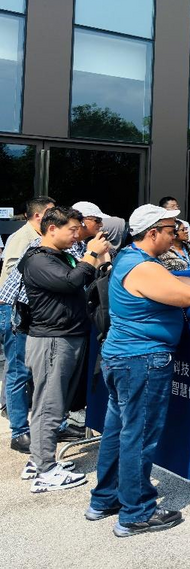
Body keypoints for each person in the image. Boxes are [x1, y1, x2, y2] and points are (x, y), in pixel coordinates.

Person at [87, 204, 190, 536]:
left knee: (119, 430)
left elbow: (185, 290)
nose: (176, 233)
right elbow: (185, 298)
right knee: (138, 435)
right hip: (142, 362)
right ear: (153, 233)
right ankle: (136, 512)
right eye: (170, 228)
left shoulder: (132, 259)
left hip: (125, 359)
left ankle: (105, 499)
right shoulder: (143, 267)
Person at [19, 206, 111, 491]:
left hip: (67, 336)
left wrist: (100, 260)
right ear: (51, 229)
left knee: (55, 403)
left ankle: (39, 458)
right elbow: (71, 282)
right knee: (49, 404)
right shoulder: (37, 259)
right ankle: (45, 470)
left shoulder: (61, 256)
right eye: (72, 229)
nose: (77, 235)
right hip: (52, 340)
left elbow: (85, 281)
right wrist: (91, 254)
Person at [0, 194, 54, 453]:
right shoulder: (22, 238)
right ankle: (19, 431)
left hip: (34, 312)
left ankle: (51, 425)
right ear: (38, 216)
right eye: (52, 213)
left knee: (37, 370)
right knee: (18, 371)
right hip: (16, 312)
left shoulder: (42, 237)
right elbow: (12, 276)